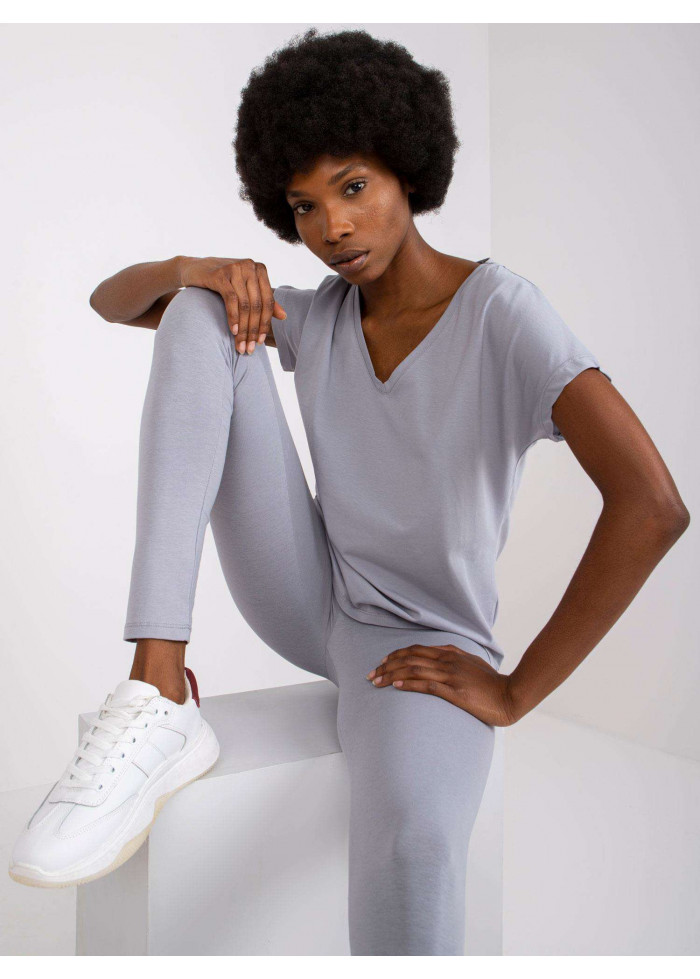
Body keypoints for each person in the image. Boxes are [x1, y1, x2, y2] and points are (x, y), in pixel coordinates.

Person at [9, 28, 689, 956]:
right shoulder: (324, 313)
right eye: (305, 205)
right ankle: (157, 686)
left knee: (414, 851)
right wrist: (190, 271)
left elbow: (652, 504)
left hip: (419, 646)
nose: (332, 226)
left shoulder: (504, 316)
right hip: (307, 595)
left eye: (354, 186)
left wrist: (517, 687)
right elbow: (111, 302)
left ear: (409, 169)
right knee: (204, 312)